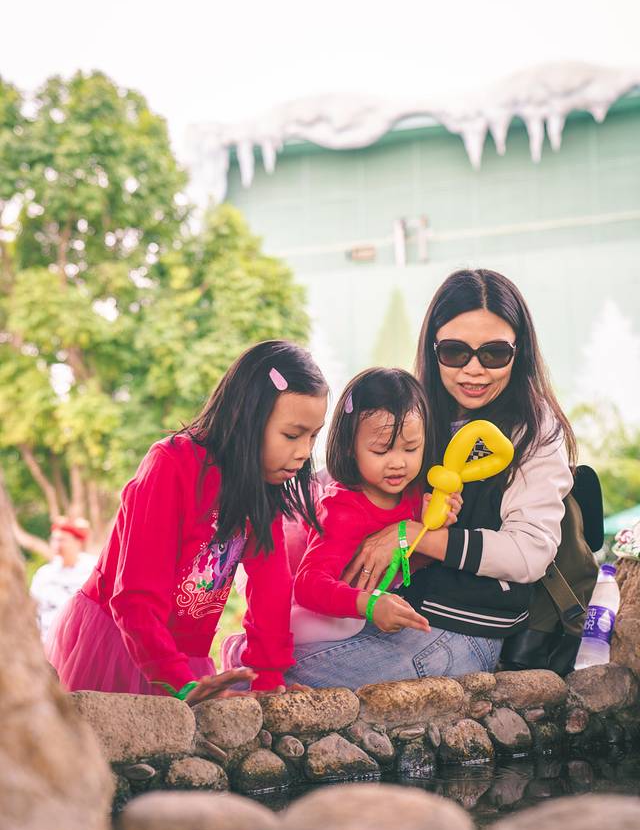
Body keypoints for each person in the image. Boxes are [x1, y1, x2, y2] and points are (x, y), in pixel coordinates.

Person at [277, 268, 575, 688]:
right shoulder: (417, 407)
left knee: (285, 674)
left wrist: (409, 534)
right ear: (433, 348)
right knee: (268, 654)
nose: (474, 370)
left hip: (466, 628)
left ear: (519, 351)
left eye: (494, 354)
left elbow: (530, 553)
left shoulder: (534, 427)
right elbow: (347, 474)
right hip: (397, 609)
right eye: (455, 352)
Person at [46, 341, 328, 705]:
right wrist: (177, 680)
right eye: (292, 435)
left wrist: (269, 677)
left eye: (313, 436)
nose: (304, 451)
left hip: (185, 658)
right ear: (247, 418)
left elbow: (272, 586)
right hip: (122, 642)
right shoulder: (172, 465)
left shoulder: (261, 486)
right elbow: (134, 597)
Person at [222, 368, 461, 682]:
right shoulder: (344, 510)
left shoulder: (416, 495)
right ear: (350, 446)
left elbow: (410, 561)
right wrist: (368, 604)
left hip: (360, 605)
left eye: (410, 448)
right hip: (312, 608)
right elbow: (308, 585)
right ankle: (241, 651)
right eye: (380, 450)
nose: (398, 462)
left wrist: (435, 527)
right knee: (347, 625)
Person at [30, 517, 97, 638]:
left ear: (78, 542)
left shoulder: (92, 570)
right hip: (48, 636)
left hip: (82, 636)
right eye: (54, 539)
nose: (57, 544)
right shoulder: (44, 574)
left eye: (62, 540)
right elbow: (33, 608)